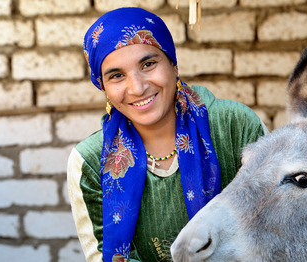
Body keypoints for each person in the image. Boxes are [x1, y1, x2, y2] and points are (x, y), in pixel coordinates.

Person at [67, 7, 267, 262]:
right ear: (103, 86)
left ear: (173, 64)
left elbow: (274, 226)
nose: (137, 87)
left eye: (148, 64)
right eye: (117, 76)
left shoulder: (234, 125)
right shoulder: (90, 162)